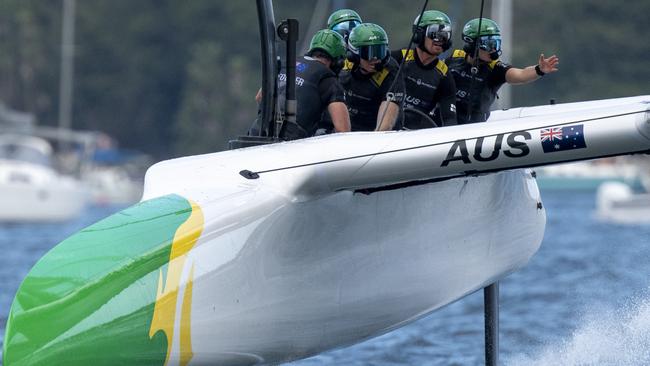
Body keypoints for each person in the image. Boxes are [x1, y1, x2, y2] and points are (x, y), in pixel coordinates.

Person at [446, 18, 559, 124]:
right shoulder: (455, 57)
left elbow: (521, 75)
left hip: (472, 130)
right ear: (472, 44)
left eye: (497, 43)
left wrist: (539, 69)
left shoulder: (496, 69)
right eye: (489, 44)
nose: (494, 49)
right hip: (443, 124)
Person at [253, 29, 351, 140]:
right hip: (290, 142)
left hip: (257, 131)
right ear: (338, 62)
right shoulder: (329, 79)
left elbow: (259, 97)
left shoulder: (285, 64)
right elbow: (343, 130)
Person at [392, 10, 457, 129]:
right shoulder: (397, 58)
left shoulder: (444, 75)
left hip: (415, 136)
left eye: (444, 36)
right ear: (419, 34)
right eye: (434, 34)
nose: (440, 40)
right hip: (382, 132)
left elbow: (450, 120)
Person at [339, 23, 405, 131]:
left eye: (379, 52)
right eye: (368, 53)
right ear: (354, 54)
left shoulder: (391, 72)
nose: (374, 59)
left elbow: (385, 126)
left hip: (373, 135)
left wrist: (374, 140)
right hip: (346, 130)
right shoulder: (342, 63)